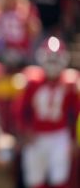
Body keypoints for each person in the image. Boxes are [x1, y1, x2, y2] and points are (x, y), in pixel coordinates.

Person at [15, 36, 79, 188]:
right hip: (36, 135)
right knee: (34, 178)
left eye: (56, 59)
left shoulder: (70, 82)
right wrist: (24, 131)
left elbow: (76, 112)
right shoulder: (32, 80)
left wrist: (73, 138)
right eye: (50, 59)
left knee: (60, 177)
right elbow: (19, 110)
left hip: (59, 134)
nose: (53, 63)